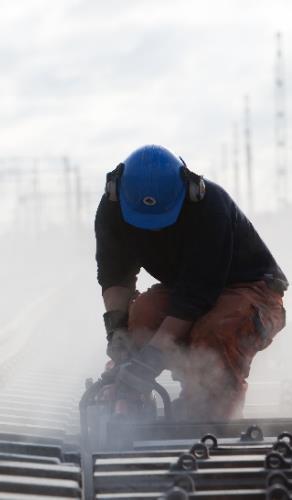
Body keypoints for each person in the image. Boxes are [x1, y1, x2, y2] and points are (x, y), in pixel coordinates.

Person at [95, 144, 288, 420]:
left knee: (214, 331)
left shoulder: (210, 208)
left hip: (255, 291)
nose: (155, 228)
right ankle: (128, 407)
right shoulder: (112, 209)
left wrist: (151, 358)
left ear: (191, 190)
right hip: (188, 288)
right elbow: (115, 276)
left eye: (163, 220)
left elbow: (194, 300)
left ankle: (211, 416)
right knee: (142, 316)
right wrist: (118, 334)